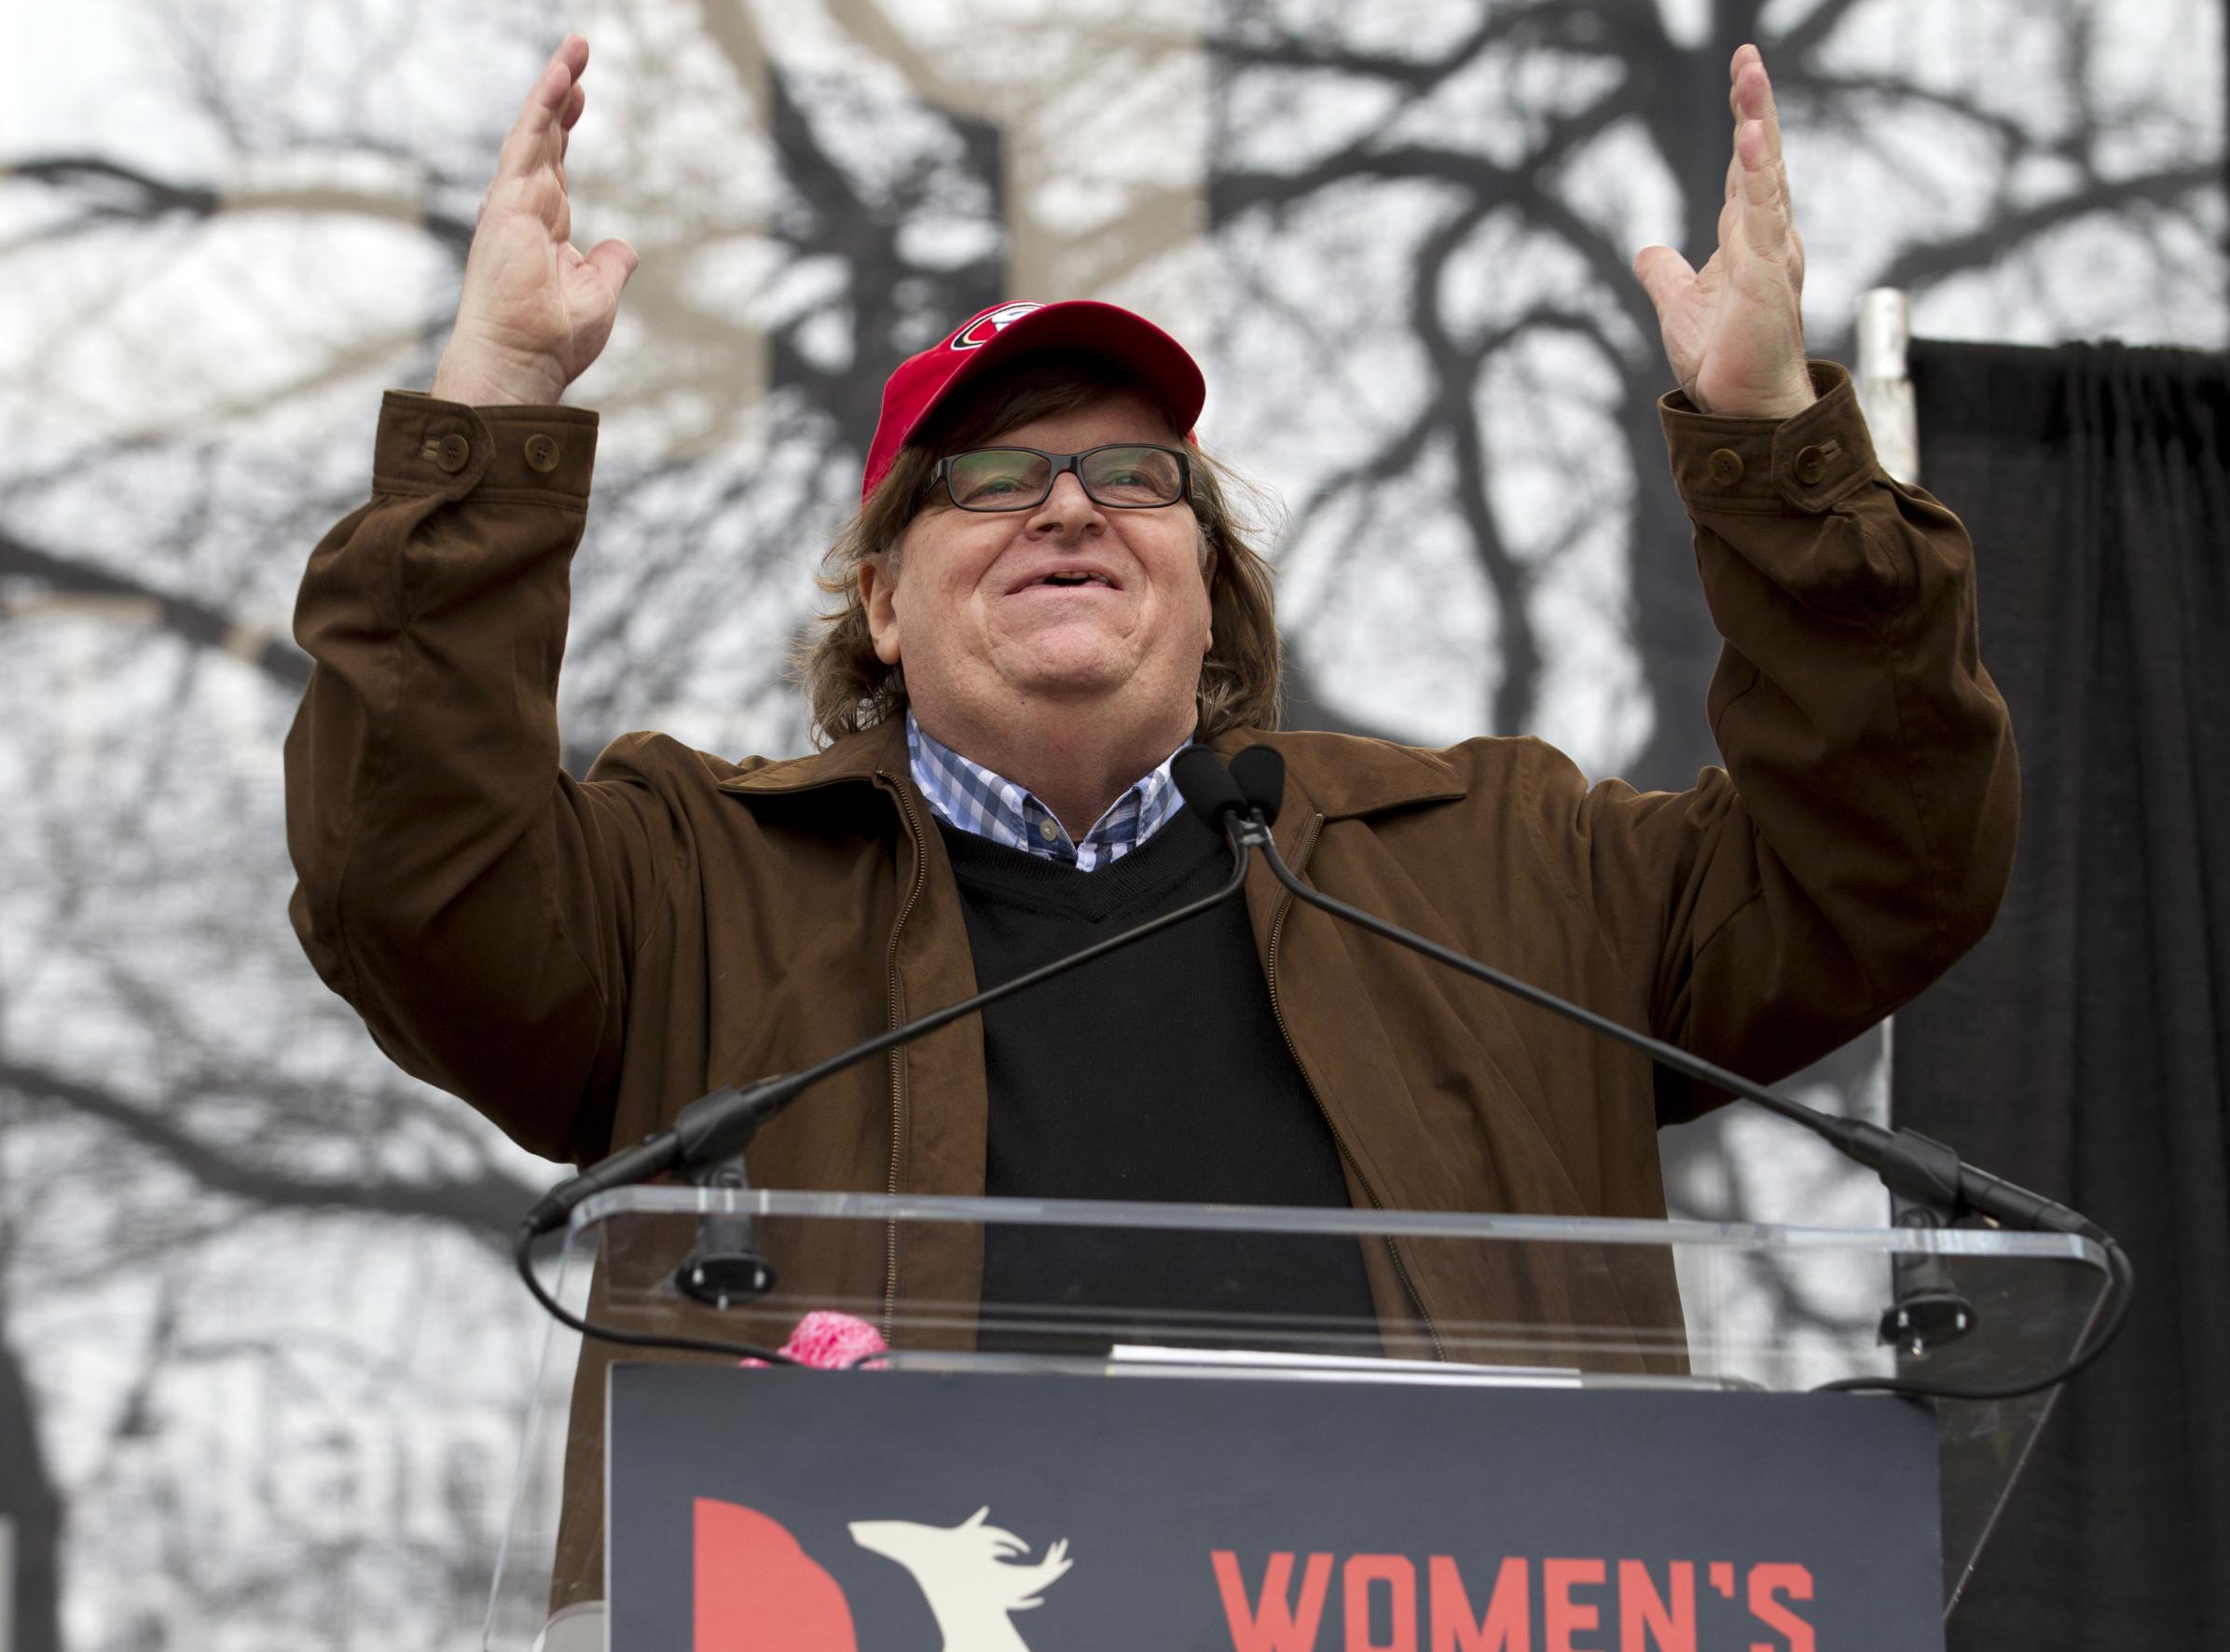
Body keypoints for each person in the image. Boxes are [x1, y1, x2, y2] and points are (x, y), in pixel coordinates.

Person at [287, 37, 2014, 1348]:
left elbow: (1885, 857)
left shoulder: (1512, 872)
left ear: (1209, 585)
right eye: (987, 477)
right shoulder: (686, 895)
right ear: (882, 599)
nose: (1065, 504)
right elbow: (411, 880)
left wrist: (1778, 447)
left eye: (1132, 473)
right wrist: (498, 405)